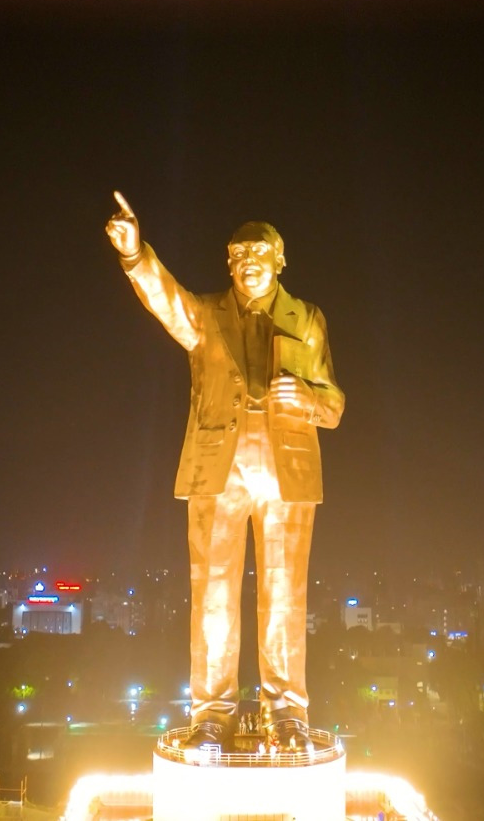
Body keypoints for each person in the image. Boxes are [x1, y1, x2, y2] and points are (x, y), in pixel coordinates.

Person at [106, 193, 344, 752]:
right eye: (237, 254)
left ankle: (287, 712)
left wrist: (307, 396)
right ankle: (213, 711)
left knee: (285, 596)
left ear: (281, 260)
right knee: (212, 595)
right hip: (219, 464)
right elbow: (165, 301)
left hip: (287, 467)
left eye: (259, 252)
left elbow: (334, 406)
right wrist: (135, 254)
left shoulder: (306, 319)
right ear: (228, 263)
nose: (247, 261)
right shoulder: (206, 315)